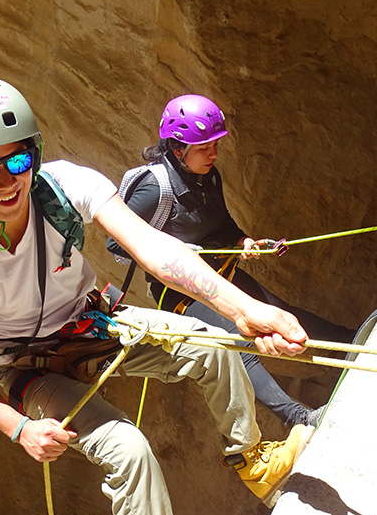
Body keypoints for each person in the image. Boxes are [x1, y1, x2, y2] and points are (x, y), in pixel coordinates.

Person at [0, 77, 315, 515]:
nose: (6, 182)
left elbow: (152, 247)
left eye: (16, 161)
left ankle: (254, 461)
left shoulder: (64, 187)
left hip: (93, 322)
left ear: (33, 155)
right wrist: (19, 428)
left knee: (213, 343)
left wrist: (244, 311)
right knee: (129, 451)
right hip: (28, 364)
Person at [107, 93, 355, 428]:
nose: (214, 153)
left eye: (215, 145)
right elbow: (116, 243)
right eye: (205, 147)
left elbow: (221, 221)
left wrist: (245, 242)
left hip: (222, 272)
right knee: (236, 344)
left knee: (280, 312)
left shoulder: (208, 176)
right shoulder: (154, 188)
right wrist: (176, 250)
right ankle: (297, 417)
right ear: (178, 148)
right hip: (181, 292)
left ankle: (357, 341)